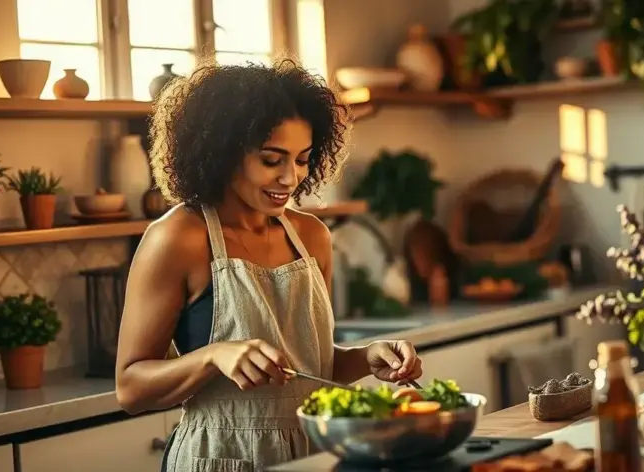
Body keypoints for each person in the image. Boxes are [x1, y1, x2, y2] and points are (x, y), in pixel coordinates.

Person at [114, 57, 424, 472]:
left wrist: (367, 357)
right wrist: (213, 357)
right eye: (271, 159)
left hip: (315, 451)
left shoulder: (311, 235)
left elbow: (309, 368)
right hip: (221, 454)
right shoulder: (178, 238)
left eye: (301, 159)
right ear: (223, 152)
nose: (290, 178)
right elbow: (130, 388)